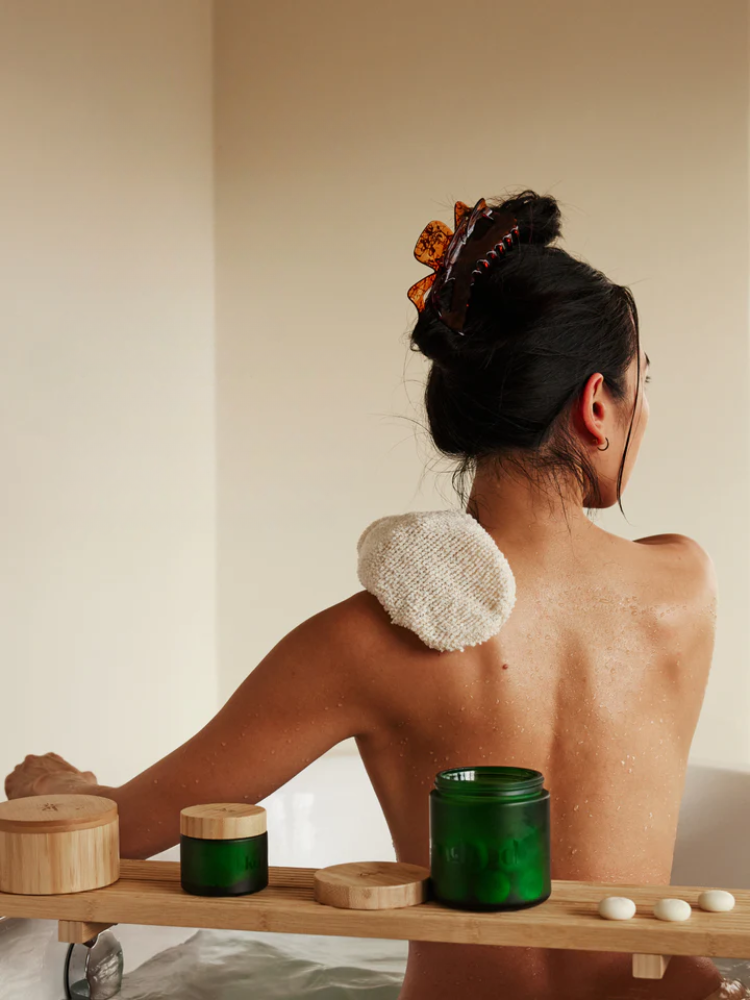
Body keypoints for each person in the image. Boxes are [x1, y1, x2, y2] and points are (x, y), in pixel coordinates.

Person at [6, 190, 737, 1000]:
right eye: (642, 387)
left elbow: (124, 834)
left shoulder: (364, 642)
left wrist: (57, 794)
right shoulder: (685, 587)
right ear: (596, 408)